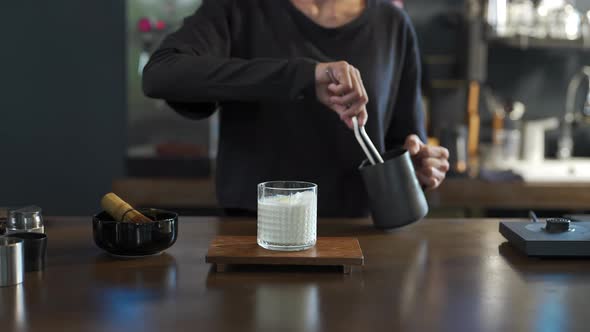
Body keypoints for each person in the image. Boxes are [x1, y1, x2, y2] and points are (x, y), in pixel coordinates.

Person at [142, 0, 450, 217]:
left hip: (360, 235)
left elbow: (405, 142)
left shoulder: (392, 24)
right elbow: (162, 74)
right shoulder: (239, 8)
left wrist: (419, 165)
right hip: (254, 235)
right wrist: (304, 77)